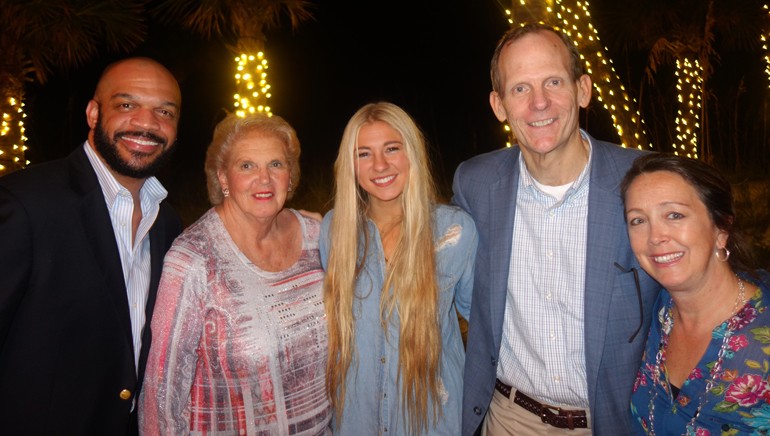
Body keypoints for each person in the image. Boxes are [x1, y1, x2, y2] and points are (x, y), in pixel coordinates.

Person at [454, 23, 662, 435]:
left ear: (582, 90)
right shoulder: (474, 183)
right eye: (520, 89)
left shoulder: (644, 180)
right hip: (509, 418)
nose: (539, 103)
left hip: (612, 422)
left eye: (553, 81)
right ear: (498, 105)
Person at [0, 57, 182, 434]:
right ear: (93, 113)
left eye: (164, 111)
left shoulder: (166, 222)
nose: (147, 123)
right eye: (127, 105)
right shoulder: (26, 203)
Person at [139, 112, 331, 435]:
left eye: (276, 164)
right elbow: (162, 396)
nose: (264, 179)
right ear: (223, 178)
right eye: (246, 166)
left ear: (291, 175)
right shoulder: (193, 260)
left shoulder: (317, 237)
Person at [321, 102, 478, 435]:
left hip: (431, 421)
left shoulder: (455, 231)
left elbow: (483, 328)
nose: (380, 165)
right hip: (354, 421)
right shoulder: (334, 230)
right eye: (363, 154)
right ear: (350, 165)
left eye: (392, 148)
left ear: (412, 154)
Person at [622, 153, 770, 434]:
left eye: (674, 215)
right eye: (638, 220)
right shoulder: (655, 313)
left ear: (721, 229)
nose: (655, 236)